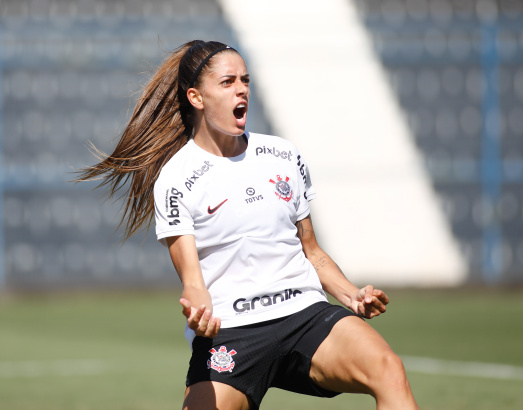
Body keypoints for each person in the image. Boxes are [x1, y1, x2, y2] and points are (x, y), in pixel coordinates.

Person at [79, 40, 420, 410]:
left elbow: (313, 253)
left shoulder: (283, 155)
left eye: (245, 80)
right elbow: (192, 281)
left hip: (304, 313)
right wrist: (197, 307)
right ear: (196, 97)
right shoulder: (176, 179)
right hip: (233, 331)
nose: (241, 89)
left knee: (389, 369)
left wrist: (351, 295)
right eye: (227, 82)